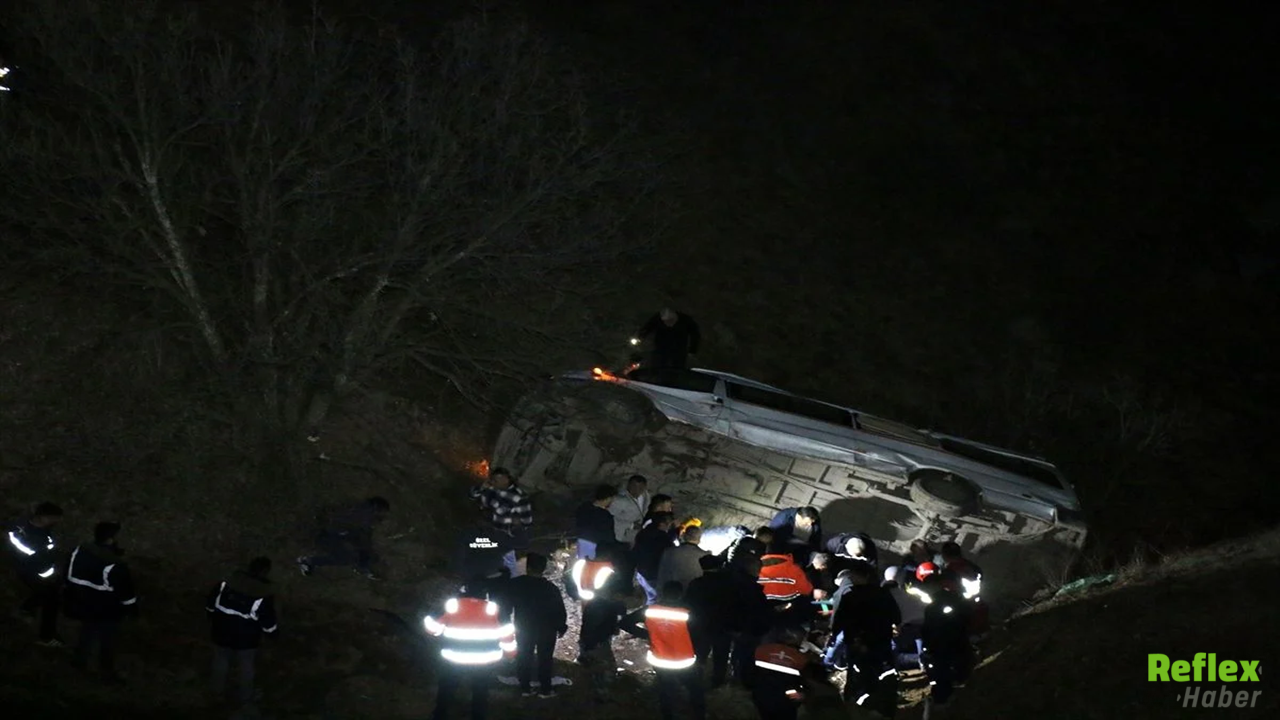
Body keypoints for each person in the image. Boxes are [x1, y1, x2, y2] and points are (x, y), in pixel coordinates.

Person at [423, 584, 516, 720]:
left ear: (464, 591)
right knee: (480, 692)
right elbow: (507, 634)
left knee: (447, 689)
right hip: (483, 661)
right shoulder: (494, 609)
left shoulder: (452, 606)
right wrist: (510, 655)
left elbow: (432, 629)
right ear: (485, 593)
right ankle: (478, 716)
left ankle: (439, 715)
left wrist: (430, 617)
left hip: (454, 659)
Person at [64, 521, 138, 683]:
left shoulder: (80, 550)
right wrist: (132, 608)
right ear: (110, 539)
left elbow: (69, 574)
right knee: (108, 639)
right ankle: (106, 671)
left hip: (83, 601)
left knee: (87, 631)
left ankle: (80, 661)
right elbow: (125, 591)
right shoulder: (115, 564)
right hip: (107, 607)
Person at [622, 582, 705, 720]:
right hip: (684, 661)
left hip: (660, 660)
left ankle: (668, 716)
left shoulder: (650, 611)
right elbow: (699, 635)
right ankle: (699, 715)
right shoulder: (688, 613)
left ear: (662, 593)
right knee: (695, 689)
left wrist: (647, 634)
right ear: (680, 595)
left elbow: (624, 623)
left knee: (666, 691)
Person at [830, 561, 900, 717]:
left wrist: (834, 634)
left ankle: (858, 704)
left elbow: (839, 619)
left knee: (858, 674)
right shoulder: (883, 594)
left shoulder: (850, 596)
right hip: (881, 640)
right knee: (883, 673)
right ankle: (884, 708)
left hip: (858, 642)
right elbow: (896, 616)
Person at [206, 556, 278, 707]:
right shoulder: (263, 594)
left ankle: (215, 692)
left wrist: (213, 618)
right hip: (246, 640)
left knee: (220, 662)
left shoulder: (226, 584)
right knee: (246, 667)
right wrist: (273, 635)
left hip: (220, 632)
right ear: (265, 572)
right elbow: (268, 622)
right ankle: (245, 697)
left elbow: (210, 605)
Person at [503, 552, 567, 698]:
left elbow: (506, 604)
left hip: (524, 627)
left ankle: (525, 687)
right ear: (543, 568)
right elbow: (559, 610)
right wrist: (561, 627)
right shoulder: (550, 588)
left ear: (528, 567)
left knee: (524, 656)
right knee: (545, 659)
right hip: (547, 629)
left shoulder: (517, 584)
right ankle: (545, 689)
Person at [6, 501, 65, 646]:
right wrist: (49, 575)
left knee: (51, 595)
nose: (56, 521)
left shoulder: (39, 530)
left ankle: (27, 610)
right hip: (31, 572)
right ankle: (46, 636)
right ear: (43, 517)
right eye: (53, 518)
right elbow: (35, 559)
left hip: (41, 571)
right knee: (51, 599)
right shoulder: (29, 537)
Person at [919, 571, 974, 718]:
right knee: (951, 673)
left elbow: (930, 628)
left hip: (944, 646)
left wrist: (929, 645)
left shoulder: (935, 606)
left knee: (942, 675)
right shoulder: (953, 599)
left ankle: (943, 702)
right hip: (955, 643)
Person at [297, 496, 391, 579]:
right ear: (376, 508)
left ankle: (310, 561)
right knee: (345, 557)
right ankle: (308, 561)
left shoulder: (362, 514)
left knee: (349, 556)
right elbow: (362, 539)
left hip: (332, 535)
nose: (382, 517)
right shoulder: (363, 515)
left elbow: (362, 540)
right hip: (329, 535)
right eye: (382, 512)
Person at [576, 569, 633, 703]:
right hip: (596, 643)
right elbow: (590, 628)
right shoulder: (600, 606)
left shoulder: (603, 602)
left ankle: (596, 691)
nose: (622, 600)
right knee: (606, 669)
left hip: (596, 641)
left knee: (598, 668)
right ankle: (601, 695)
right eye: (621, 597)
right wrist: (589, 647)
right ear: (616, 593)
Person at [468, 467, 533, 577]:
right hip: (489, 533)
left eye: (498, 479)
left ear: (507, 479)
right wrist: (482, 488)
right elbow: (472, 496)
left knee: (507, 562)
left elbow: (526, 521)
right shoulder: (492, 490)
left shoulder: (518, 496)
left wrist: (516, 525)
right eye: (494, 480)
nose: (495, 482)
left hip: (506, 536)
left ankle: (510, 581)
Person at [749, 626, 821, 720]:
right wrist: (805, 695)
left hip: (761, 696)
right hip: (787, 699)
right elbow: (809, 682)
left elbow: (747, 675)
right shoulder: (801, 658)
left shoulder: (761, 650)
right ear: (796, 638)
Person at [939, 541, 988, 639]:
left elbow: (947, 591)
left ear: (944, 556)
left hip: (961, 612)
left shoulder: (948, 572)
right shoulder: (973, 567)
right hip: (978, 607)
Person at [636, 307, 701, 370]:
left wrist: (692, 350)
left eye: (670, 321)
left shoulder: (686, 320)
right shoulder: (657, 319)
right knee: (658, 366)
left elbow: (695, 335)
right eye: (665, 321)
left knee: (677, 368)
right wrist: (640, 336)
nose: (667, 323)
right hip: (661, 347)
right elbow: (648, 327)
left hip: (679, 349)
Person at [633, 511, 676, 604]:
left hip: (640, 571)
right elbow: (671, 554)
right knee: (655, 599)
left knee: (646, 597)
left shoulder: (643, 533)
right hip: (655, 573)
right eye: (668, 524)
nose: (669, 526)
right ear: (662, 524)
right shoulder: (663, 537)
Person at [657, 524, 709, 593]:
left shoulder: (668, 552)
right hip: (694, 595)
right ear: (699, 539)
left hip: (672, 594)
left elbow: (662, 575)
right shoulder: (706, 556)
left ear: (684, 536)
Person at [574, 484, 617, 559]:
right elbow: (608, 535)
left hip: (582, 541)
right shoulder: (605, 515)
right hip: (597, 545)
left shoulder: (584, 508)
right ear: (608, 498)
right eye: (612, 498)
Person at [609, 475, 650, 546]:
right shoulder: (619, 499)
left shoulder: (646, 497)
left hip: (635, 537)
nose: (635, 489)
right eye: (633, 486)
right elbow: (609, 517)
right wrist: (631, 525)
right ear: (628, 485)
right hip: (619, 536)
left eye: (640, 487)